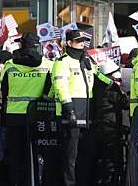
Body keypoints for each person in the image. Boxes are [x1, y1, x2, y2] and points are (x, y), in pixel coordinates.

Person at [52, 29, 108, 186]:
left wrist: (112, 85)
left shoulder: (86, 60)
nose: (82, 43)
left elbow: (97, 75)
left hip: (87, 112)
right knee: (70, 155)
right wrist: (69, 109)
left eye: (83, 40)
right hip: (71, 112)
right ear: (69, 43)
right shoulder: (62, 62)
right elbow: (60, 86)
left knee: (86, 153)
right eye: (78, 41)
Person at [0, 33, 52, 186]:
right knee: (36, 153)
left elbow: (3, 88)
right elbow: (49, 91)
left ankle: (15, 182)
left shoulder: (10, 64)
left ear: (21, 45)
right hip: (37, 115)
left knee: (15, 155)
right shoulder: (48, 65)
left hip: (14, 115)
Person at [91, 59, 128, 186]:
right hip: (111, 127)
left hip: (100, 126)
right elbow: (125, 103)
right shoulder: (110, 88)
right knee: (111, 160)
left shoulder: (97, 86)